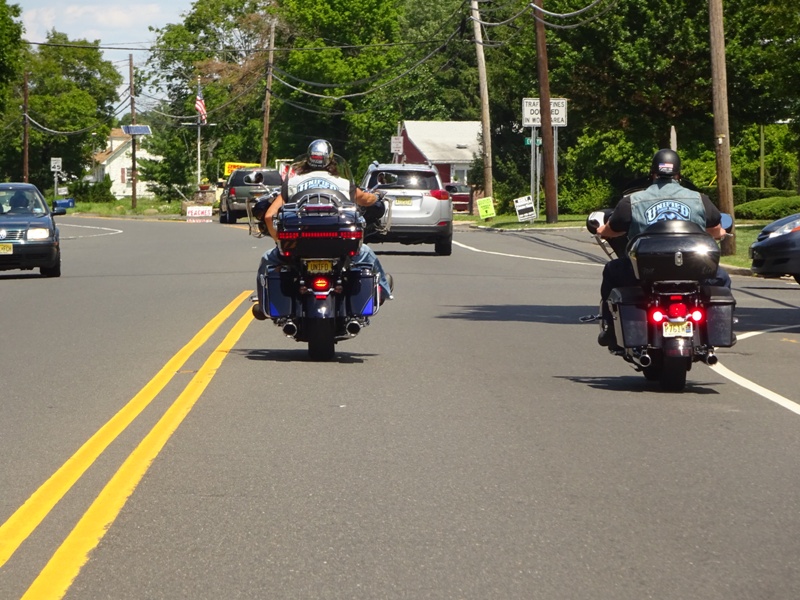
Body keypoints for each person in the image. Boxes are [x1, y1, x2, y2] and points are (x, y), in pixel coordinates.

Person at [595, 148, 730, 349]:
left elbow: (611, 230)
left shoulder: (632, 201)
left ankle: (609, 329)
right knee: (723, 278)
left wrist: (601, 229)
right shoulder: (700, 199)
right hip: (693, 271)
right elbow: (716, 230)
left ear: (652, 174)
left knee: (611, 271)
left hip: (645, 273)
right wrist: (721, 232)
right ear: (679, 174)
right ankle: (720, 328)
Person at [254, 139, 393, 319]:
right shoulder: (343, 183)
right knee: (368, 255)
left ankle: (263, 305)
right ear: (331, 160)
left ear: (308, 160)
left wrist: (280, 242)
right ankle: (383, 293)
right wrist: (377, 196)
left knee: (267, 259)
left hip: (298, 246)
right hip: (339, 246)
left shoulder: (293, 183)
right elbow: (366, 200)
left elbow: (268, 216)